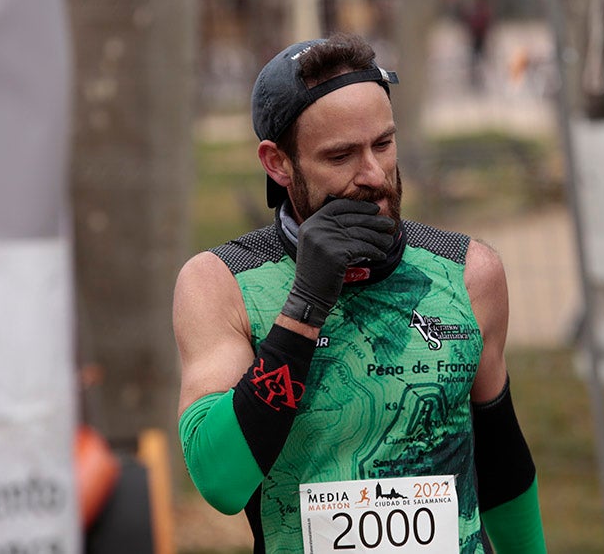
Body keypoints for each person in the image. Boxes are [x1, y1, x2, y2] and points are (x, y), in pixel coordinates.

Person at [173, 32, 546, 554]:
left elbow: (502, 461)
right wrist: (306, 303)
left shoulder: (467, 272)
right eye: (341, 155)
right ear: (278, 163)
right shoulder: (222, 284)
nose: (373, 175)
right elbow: (220, 482)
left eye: (383, 144)